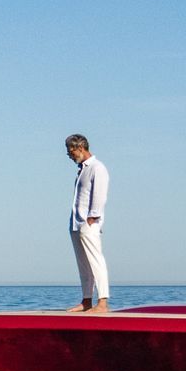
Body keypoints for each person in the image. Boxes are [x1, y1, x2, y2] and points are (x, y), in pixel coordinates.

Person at [64, 134, 110, 313]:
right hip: (76, 223)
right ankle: (86, 300)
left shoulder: (97, 168)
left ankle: (103, 302)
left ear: (81, 147)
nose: (70, 155)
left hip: (88, 223)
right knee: (83, 264)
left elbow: (99, 194)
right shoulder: (82, 169)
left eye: (71, 151)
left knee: (96, 261)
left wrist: (92, 217)